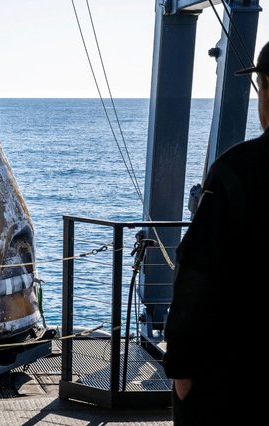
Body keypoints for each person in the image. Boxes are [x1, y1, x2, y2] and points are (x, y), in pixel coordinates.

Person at [163, 40, 269, 424]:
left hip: (231, 377)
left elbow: (196, 272)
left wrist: (181, 366)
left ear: (266, 89)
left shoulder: (237, 172)